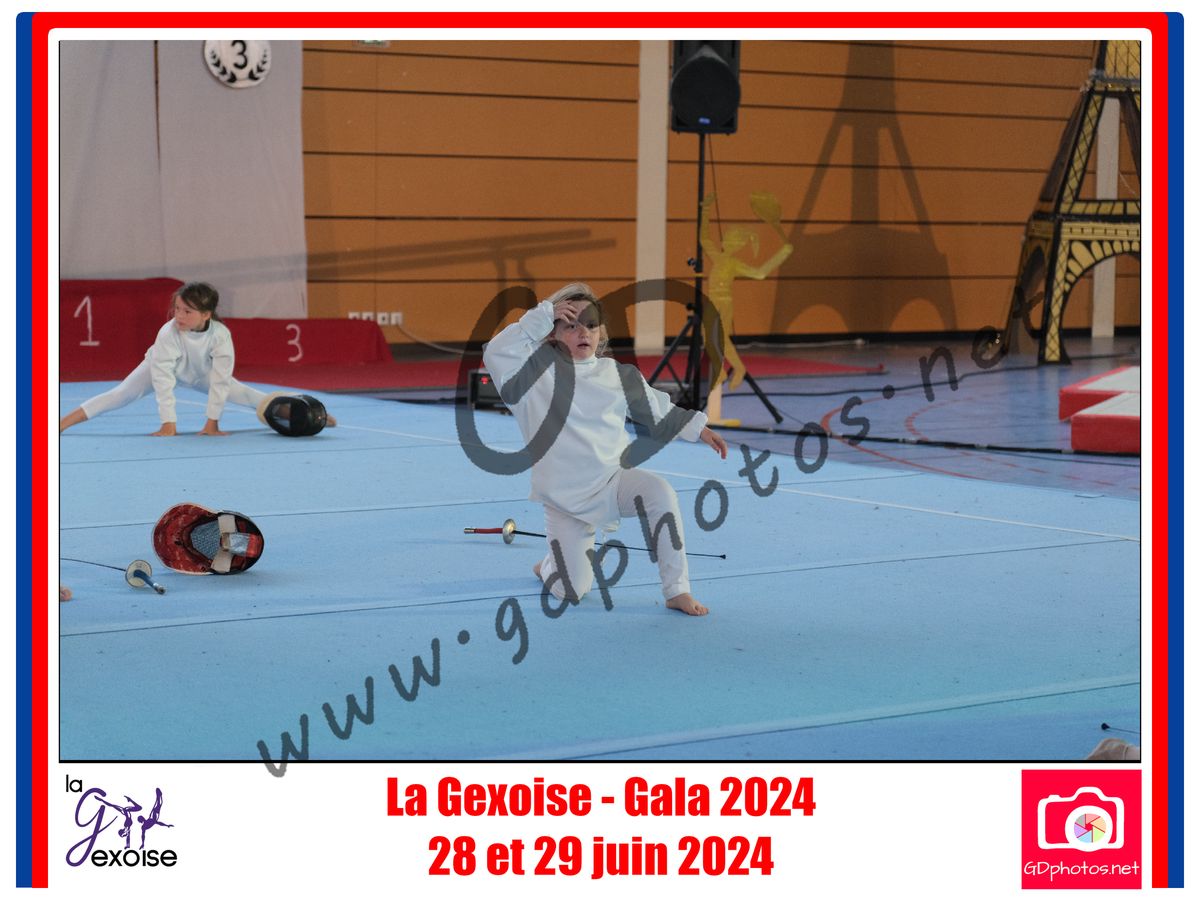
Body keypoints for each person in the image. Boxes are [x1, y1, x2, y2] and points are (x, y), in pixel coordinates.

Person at [482, 283, 728, 616]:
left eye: (591, 325)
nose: (583, 332)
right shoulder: (532, 378)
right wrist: (543, 314)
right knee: (572, 592)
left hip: (613, 482)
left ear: (601, 333)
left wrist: (700, 430)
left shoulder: (616, 374)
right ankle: (550, 566)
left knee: (661, 493)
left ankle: (676, 590)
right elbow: (496, 352)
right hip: (565, 499)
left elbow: (657, 408)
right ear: (552, 333)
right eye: (571, 325)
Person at [59, 282, 335, 436]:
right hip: (161, 368)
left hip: (202, 373)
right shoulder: (167, 333)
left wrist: (212, 422)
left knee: (250, 396)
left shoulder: (220, 335)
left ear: (206, 315)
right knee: (120, 394)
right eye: (177, 309)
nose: (179, 316)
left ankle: (313, 416)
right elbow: (163, 380)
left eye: (187, 312)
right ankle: (60, 424)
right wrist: (169, 423)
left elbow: (221, 380)